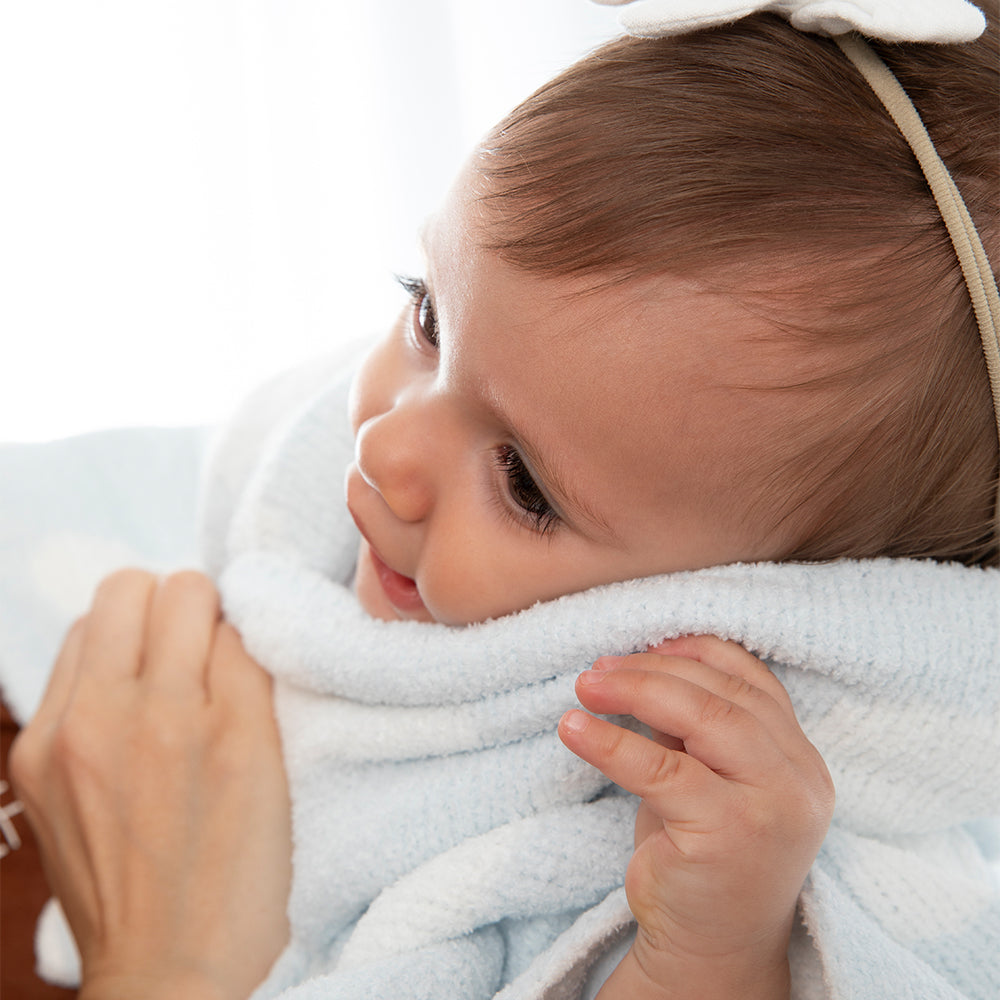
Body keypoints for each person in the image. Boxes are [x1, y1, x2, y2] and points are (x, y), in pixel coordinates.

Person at [8, 7, 998, 1000]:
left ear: (764, 610)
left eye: (522, 482)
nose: (385, 447)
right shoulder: (311, 483)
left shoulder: (689, 839)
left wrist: (712, 956)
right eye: (429, 314)